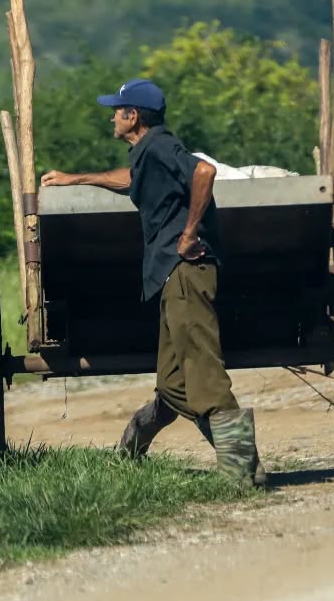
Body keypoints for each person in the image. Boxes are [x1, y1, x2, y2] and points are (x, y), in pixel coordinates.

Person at [40, 78, 265, 487]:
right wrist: (74, 178)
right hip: (170, 276)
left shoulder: (161, 146)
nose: (111, 116)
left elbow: (204, 170)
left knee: (204, 373)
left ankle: (243, 471)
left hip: (186, 273)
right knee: (174, 384)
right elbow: (128, 179)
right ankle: (242, 463)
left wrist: (189, 233)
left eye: (117, 110)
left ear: (134, 116)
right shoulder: (148, 154)